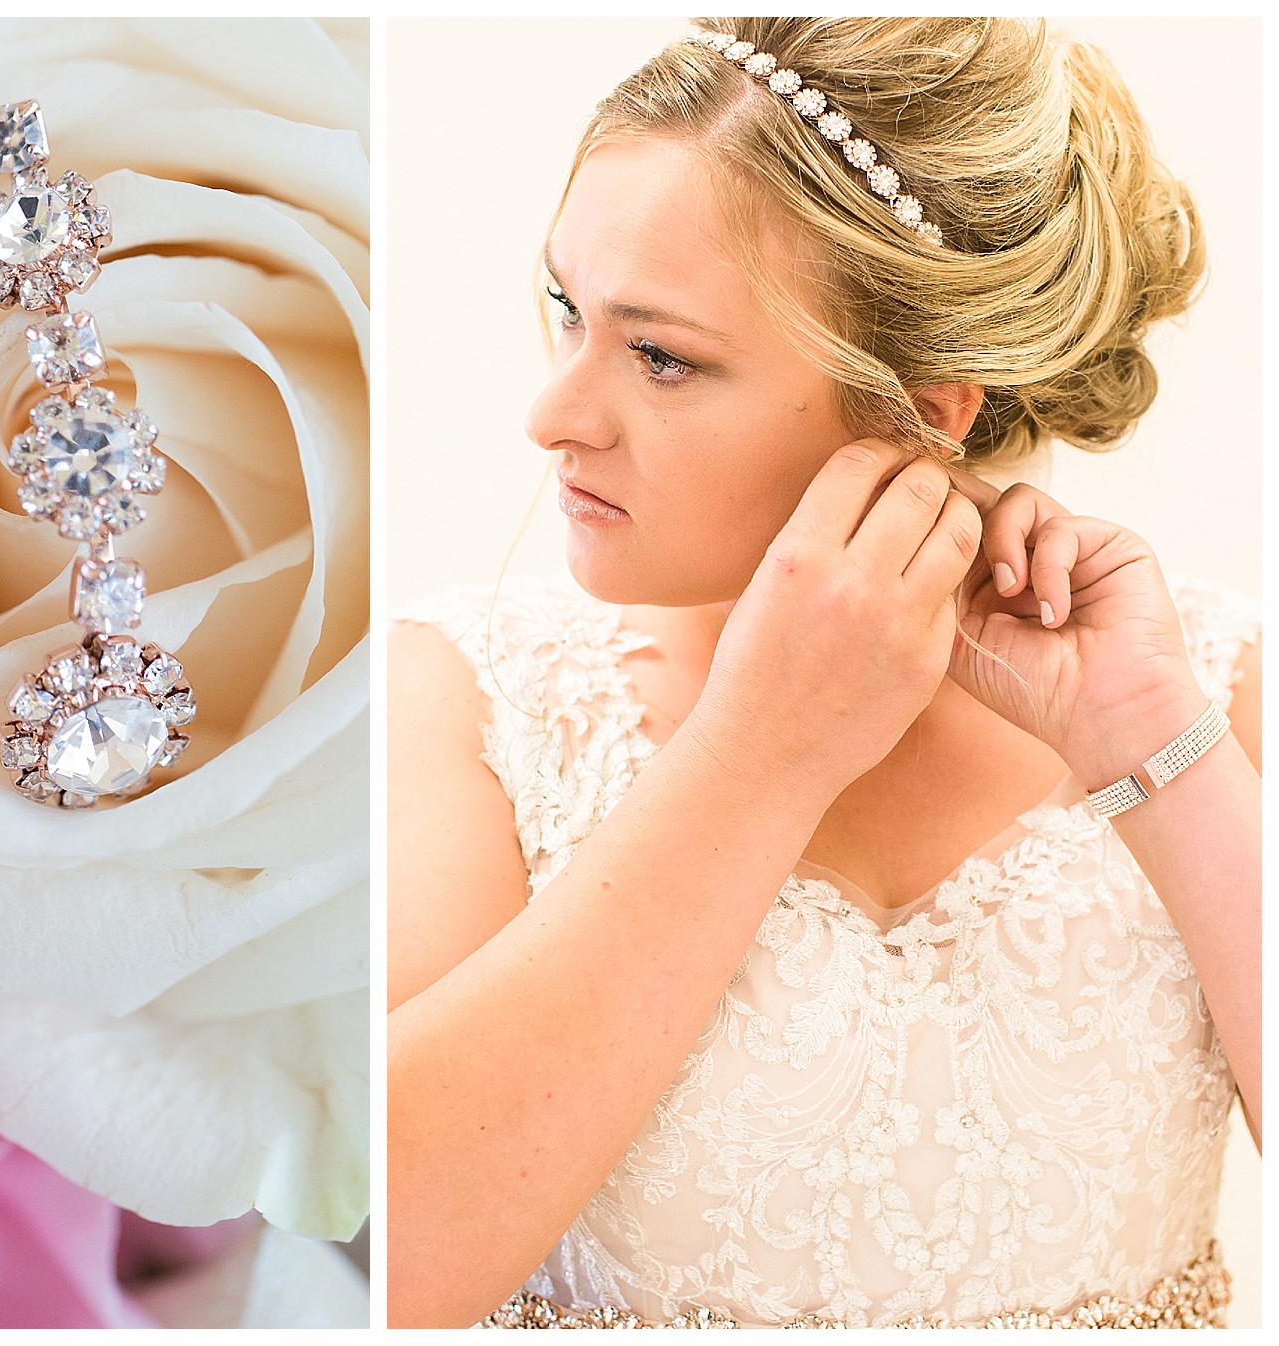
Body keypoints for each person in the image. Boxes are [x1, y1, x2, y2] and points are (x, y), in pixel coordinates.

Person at [387, 18, 1260, 1329]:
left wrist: (1155, 744)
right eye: (570, 311)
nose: (553, 415)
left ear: (925, 405)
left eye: (661, 354)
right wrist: (759, 752)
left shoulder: (1214, 683)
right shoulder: (469, 698)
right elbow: (381, 1267)